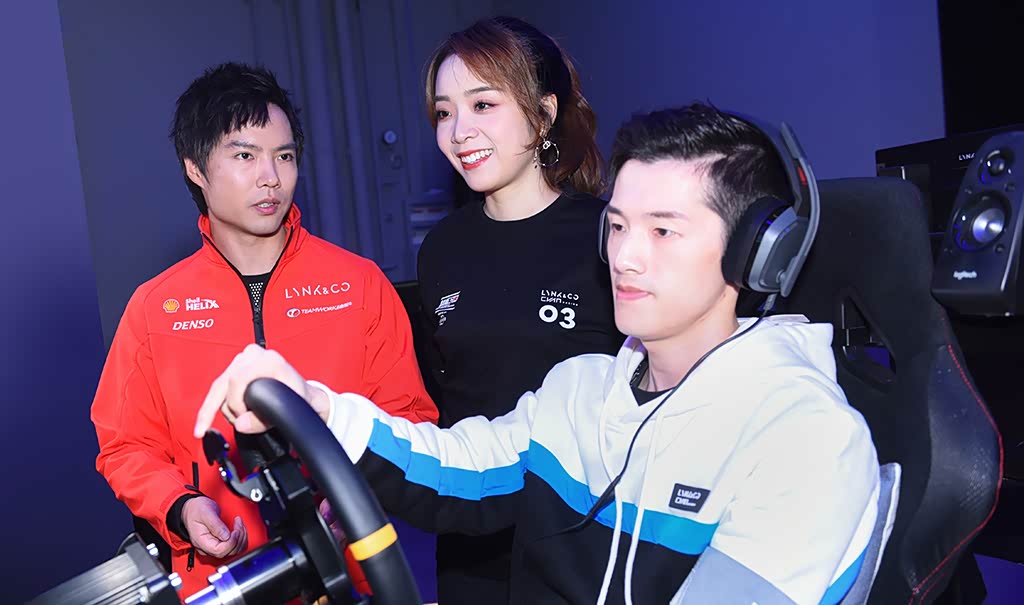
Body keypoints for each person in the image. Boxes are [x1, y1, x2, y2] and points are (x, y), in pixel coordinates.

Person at [197, 103, 881, 604]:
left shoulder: (802, 436)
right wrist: (319, 407)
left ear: (756, 253)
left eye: (663, 231)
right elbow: (457, 471)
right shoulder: (581, 391)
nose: (625, 255)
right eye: (617, 225)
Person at [90, 62, 437, 597]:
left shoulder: (359, 284)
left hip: (351, 575)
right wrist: (180, 507)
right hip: (220, 582)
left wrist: (356, 493)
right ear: (196, 169)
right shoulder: (155, 308)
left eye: (285, 156)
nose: (271, 176)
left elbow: (409, 418)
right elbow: (125, 445)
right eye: (245, 156)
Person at [417, 17, 622, 602]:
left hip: (581, 537)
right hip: (471, 539)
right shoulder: (441, 250)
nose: (459, 132)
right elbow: (448, 399)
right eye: (444, 113)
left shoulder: (607, 237)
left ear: (544, 113)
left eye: (483, 104)